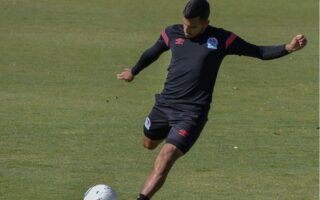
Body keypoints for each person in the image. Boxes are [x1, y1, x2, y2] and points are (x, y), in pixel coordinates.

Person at [117, 0, 307, 199]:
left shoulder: (222, 39)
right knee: (148, 144)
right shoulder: (172, 33)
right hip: (164, 105)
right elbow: (152, 53)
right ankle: (170, 137)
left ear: (205, 23)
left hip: (191, 114)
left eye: (192, 27)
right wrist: (133, 71)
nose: (186, 30)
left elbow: (258, 51)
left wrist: (288, 47)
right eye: (184, 24)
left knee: (166, 157)